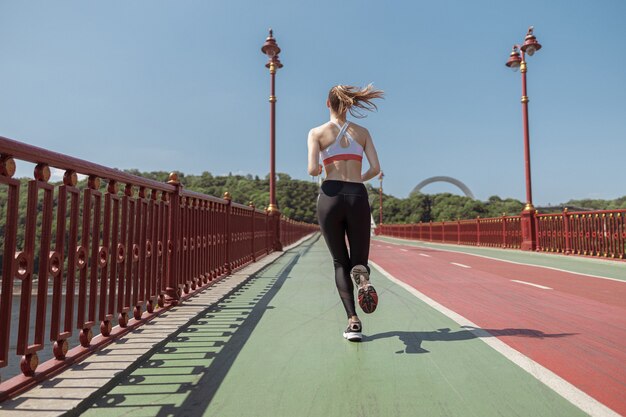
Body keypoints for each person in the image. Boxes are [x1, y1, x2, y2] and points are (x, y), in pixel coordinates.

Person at [307, 84, 383, 342]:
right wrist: (357, 179)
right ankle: (363, 279)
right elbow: (375, 168)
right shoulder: (362, 132)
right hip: (357, 195)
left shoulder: (317, 132)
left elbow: (312, 169)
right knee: (357, 260)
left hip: (330, 196)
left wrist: (321, 168)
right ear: (349, 105)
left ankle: (353, 321)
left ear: (328, 104)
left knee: (340, 261)